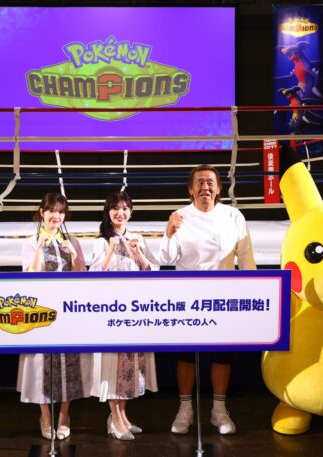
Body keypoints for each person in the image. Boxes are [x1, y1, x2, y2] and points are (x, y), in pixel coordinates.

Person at [160, 165, 256, 435]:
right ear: (190, 189)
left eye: (210, 182)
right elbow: (166, 258)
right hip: (187, 296)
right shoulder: (179, 216)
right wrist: (169, 231)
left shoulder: (233, 216)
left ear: (219, 188)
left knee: (222, 356)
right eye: (199, 182)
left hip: (224, 295)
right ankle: (185, 410)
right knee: (186, 356)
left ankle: (219, 410)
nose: (205, 187)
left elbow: (245, 257)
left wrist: (254, 289)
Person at [17, 192, 90, 441]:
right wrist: (39, 247)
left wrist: (74, 255)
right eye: (51, 211)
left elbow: (83, 277)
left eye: (60, 212)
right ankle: (45, 417)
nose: (56, 216)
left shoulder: (72, 241)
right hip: (41, 312)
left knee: (69, 363)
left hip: (68, 311)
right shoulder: (31, 242)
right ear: (42, 212)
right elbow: (30, 277)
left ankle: (64, 416)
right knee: (41, 363)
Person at [89, 190, 159, 441]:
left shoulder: (137, 239)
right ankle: (115, 418)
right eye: (115, 208)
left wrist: (137, 252)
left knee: (130, 366)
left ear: (131, 211)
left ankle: (122, 416)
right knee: (113, 365)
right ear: (108, 212)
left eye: (125, 208)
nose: (120, 213)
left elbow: (152, 270)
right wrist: (110, 250)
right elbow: (94, 274)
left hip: (134, 311)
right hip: (111, 312)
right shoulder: (101, 241)